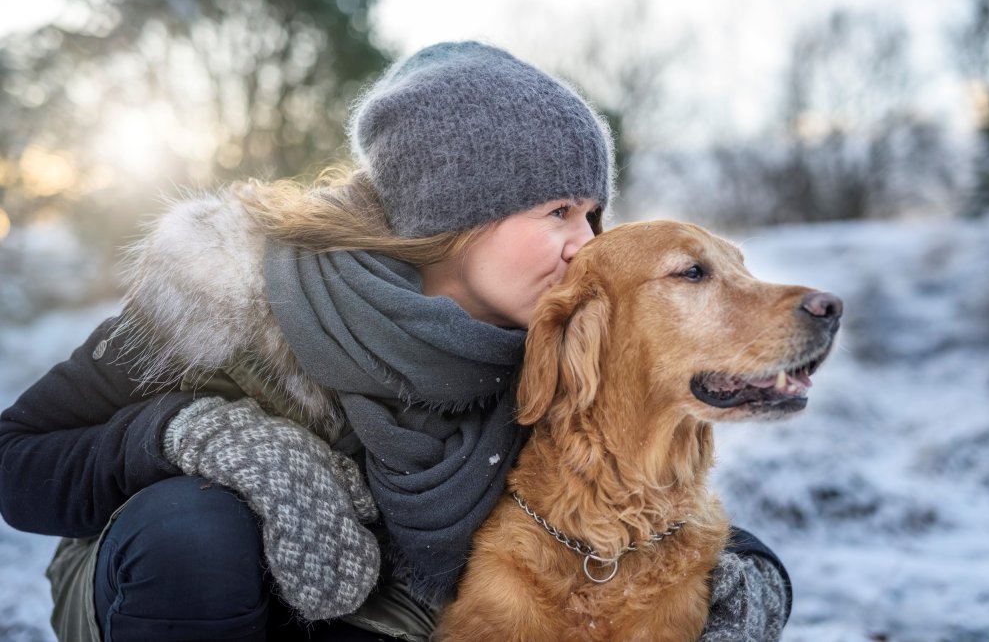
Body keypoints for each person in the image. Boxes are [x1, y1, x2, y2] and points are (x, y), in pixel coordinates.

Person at [0, 41, 792, 641]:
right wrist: (194, 434)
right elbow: (16, 457)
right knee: (197, 529)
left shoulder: (548, 339)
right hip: (169, 590)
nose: (585, 243)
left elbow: (623, 493)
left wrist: (744, 586)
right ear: (457, 213)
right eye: (557, 212)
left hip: (375, 613)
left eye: (592, 214)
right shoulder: (231, 297)